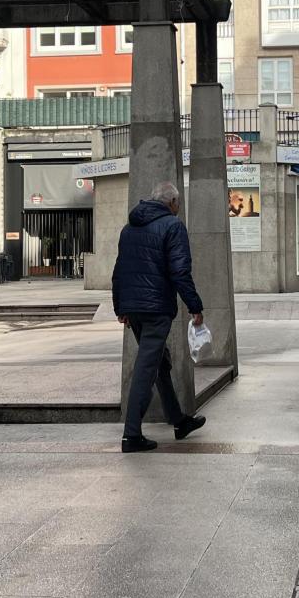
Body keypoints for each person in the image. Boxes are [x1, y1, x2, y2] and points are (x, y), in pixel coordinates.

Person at [112, 181, 207, 453]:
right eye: (178, 203)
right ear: (172, 202)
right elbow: (179, 271)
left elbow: (118, 270)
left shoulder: (129, 228)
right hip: (156, 308)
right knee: (146, 367)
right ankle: (131, 435)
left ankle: (179, 420)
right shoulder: (173, 226)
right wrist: (195, 306)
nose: (178, 207)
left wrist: (121, 307)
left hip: (134, 308)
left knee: (158, 361)